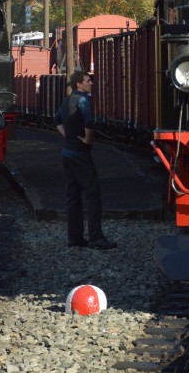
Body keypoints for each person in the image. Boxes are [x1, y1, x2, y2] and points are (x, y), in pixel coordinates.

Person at [54, 70, 117, 250]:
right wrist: (88, 140)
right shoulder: (83, 101)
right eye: (88, 81)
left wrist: (67, 136)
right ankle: (96, 237)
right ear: (79, 84)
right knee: (92, 194)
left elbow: (56, 120)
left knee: (73, 196)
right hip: (81, 154)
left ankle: (75, 238)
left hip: (67, 154)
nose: (91, 84)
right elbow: (89, 122)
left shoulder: (67, 101)